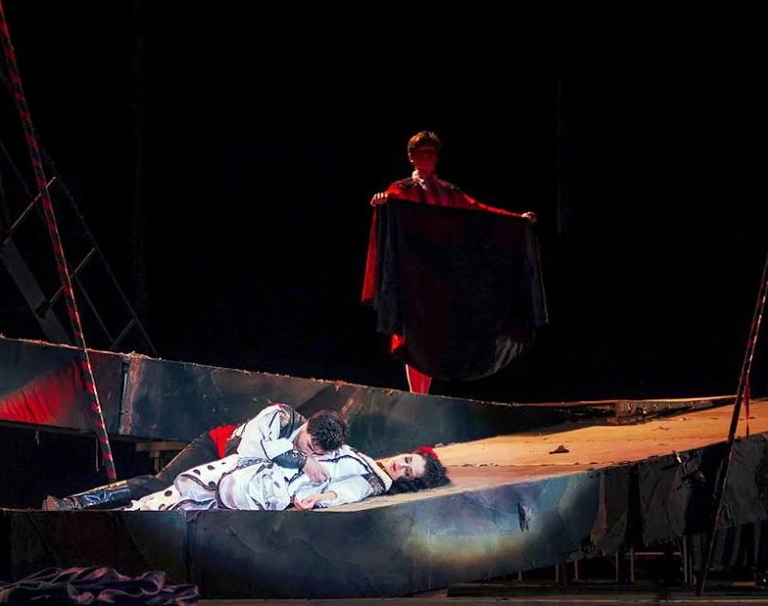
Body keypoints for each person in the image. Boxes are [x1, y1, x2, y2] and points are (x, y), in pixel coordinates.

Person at [367, 130, 537, 395]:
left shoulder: (449, 191)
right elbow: (388, 206)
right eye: (422, 152)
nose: (428, 156)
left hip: (441, 276)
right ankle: (418, 397)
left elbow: (480, 210)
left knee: (435, 337)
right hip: (415, 276)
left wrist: (517, 219)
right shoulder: (401, 190)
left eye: (432, 152)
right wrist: (381, 200)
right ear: (411, 156)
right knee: (414, 335)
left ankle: (423, 398)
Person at [42, 403, 349, 511]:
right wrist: (302, 461)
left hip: (229, 482)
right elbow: (251, 450)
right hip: (215, 449)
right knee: (160, 484)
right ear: (309, 424)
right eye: (309, 444)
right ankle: (75, 503)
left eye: (315, 452)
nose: (308, 451)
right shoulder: (280, 416)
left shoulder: (316, 452)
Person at [123, 444, 450, 511]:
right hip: (266, 468)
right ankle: (132, 511)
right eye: (407, 460)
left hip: (272, 484)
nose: (401, 466)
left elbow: (350, 490)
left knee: (191, 495)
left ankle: (132, 515)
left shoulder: (375, 480)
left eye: (408, 471)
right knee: (186, 487)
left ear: (407, 480)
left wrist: (321, 497)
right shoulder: (369, 461)